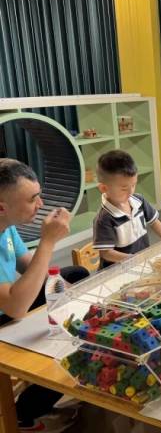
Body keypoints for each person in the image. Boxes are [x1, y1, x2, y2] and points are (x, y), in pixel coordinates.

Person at [0, 158, 89, 431]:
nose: (40, 204)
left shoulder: (6, 226)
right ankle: (24, 414)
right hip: (6, 312)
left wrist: (70, 291)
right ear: (2, 207)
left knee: (75, 276)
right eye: (32, 199)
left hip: (10, 303)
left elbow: (30, 266)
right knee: (68, 342)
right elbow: (15, 307)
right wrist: (48, 241)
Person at [92, 150, 161, 269]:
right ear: (104, 188)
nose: (131, 192)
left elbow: (154, 222)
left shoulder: (139, 201)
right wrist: (133, 259)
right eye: (124, 188)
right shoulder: (104, 219)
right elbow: (106, 253)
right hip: (119, 270)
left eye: (133, 185)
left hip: (140, 264)